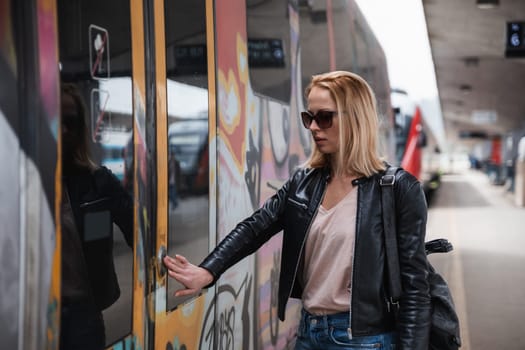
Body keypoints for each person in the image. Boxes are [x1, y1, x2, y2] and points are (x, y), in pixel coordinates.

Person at [163, 71, 431, 349]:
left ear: (355, 118)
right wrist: (208, 271)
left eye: (324, 117)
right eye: (309, 117)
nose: (314, 127)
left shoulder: (397, 188)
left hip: (364, 340)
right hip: (309, 332)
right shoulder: (304, 181)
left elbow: (415, 288)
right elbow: (256, 227)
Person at [60, 83, 133, 350]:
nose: (64, 129)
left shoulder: (98, 182)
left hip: (83, 317)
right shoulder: (20, 185)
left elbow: (139, 231)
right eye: (56, 118)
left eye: (71, 121)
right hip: (30, 315)